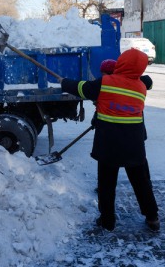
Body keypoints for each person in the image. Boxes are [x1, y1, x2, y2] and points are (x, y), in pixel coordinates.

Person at [61, 49, 159, 232]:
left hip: (109, 144)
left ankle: (108, 221)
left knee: (106, 185)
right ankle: (152, 217)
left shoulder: (106, 83)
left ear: (121, 63)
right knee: (142, 182)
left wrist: (64, 82)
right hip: (134, 145)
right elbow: (148, 81)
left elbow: (82, 88)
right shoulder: (141, 86)